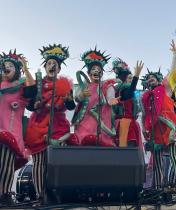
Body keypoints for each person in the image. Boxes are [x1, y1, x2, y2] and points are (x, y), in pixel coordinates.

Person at [25, 44, 75, 201]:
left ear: (59, 69)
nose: (52, 66)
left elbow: (71, 105)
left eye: (55, 64)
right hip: (39, 126)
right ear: (45, 67)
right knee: (39, 162)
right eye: (49, 64)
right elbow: (29, 104)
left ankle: (58, 193)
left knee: (58, 162)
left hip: (59, 128)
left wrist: (69, 101)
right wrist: (35, 105)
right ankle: (41, 195)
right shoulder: (38, 84)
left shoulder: (65, 85)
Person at [0, 50, 36, 205]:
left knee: (6, 163)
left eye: (10, 66)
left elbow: (32, 92)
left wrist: (25, 68)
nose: (6, 68)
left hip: (11, 129)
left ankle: (5, 193)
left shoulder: (21, 85)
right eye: (4, 66)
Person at [141, 69, 176, 188]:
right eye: (148, 78)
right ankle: (158, 188)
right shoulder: (145, 97)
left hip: (171, 127)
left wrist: (175, 55)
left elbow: (172, 70)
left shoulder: (166, 89)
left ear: (158, 79)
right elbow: (144, 114)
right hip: (156, 129)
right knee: (157, 163)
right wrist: (144, 128)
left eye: (152, 77)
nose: (150, 79)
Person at [72, 48, 119, 146]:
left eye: (99, 70)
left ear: (102, 73)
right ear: (89, 73)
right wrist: (82, 95)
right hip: (84, 120)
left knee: (100, 142)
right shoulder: (84, 85)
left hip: (101, 119)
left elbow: (110, 97)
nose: (96, 71)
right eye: (93, 69)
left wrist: (111, 100)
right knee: (83, 141)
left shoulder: (106, 86)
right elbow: (76, 98)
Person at [112, 58, 143, 147]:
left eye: (132, 78)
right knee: (126, 150)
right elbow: (128, 93)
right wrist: (136, 76)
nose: (131, 80)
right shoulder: (122, 90)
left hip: (130, 123)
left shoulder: (126, 90)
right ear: (123, 79)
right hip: (124, 124)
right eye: (129, 78)